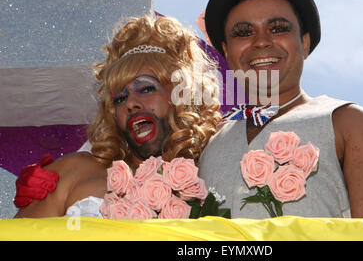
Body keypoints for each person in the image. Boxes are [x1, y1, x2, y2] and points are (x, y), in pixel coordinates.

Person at [198, 0, 363, 219]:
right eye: (243, 32)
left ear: (304, 44)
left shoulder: (348, 122)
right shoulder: (208, 143)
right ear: (226, 51)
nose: (261, 41)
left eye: (278, 28)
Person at [14, 14, 222, 218]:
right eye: (120, 98)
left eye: (146, 88)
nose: (130, 103)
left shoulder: (216, 170)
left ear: (182, 95)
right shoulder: (73, 172)